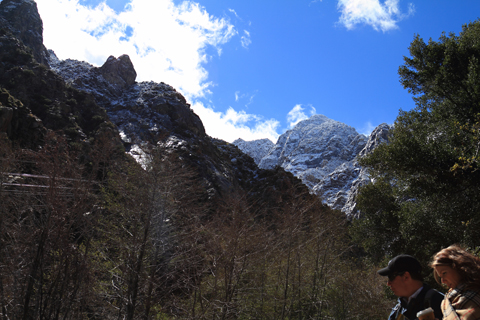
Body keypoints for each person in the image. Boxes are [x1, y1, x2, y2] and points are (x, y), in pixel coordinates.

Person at [378, 254, 444, 320]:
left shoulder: (439, 301)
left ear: (406, 277)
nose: (388, 283)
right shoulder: (397, 309)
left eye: (391, 277)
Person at [431, 245, 480, 320]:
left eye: (444, 273)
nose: (443, 281)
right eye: (440, 276)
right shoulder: (447, 301)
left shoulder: (475, 293)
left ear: (459, 267)